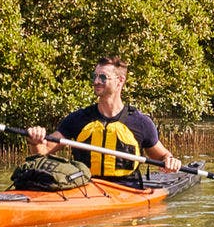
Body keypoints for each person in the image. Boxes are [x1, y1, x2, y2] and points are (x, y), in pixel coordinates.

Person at [28, 56, 182, 179]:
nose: (96, 81)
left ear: (120, 81)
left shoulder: (140, 122)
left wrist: (170, 161)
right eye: (94, 76)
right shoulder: (78, 119)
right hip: (84, 187)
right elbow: (43, 151)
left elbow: (162, 156)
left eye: (103, 77)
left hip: (126, 190)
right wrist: (35, 141)